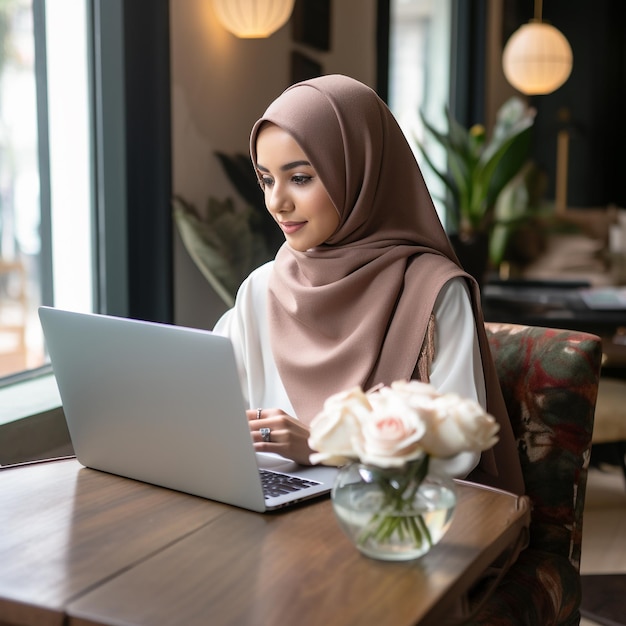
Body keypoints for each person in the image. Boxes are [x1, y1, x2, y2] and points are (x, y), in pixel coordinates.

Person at [214, 74, 524, 495]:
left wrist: (323, 446)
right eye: (266, 179)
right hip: (265, 505)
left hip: (389, 514)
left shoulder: (433, 291)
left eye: (300, 178)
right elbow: (208, 410)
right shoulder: (260, 288)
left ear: (359, 172)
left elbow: (458, 448)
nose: (276, 202)